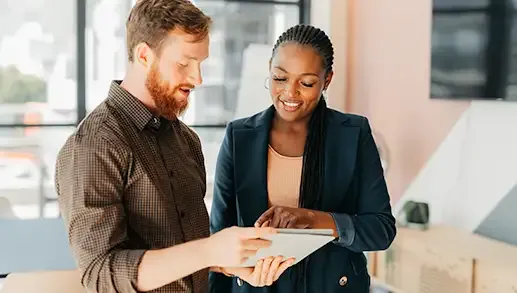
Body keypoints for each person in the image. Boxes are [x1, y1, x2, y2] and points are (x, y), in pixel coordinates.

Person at [54, 1, 288, 293]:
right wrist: (210, 251)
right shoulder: (95, 145)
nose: (197, 78)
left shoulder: (186, 140)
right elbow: (100, 275)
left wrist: (230, 262)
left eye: (200, 64)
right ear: (144, 55)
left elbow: (183, 252)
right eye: (184, 63)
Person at [209, 24, 397, 293]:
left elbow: (381, 230)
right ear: (269, 70)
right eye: (280, 78)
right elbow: (220, 237)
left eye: (306, 83)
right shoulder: (239, 136)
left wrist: (313, 219)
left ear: (327, 80)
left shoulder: (354, 134)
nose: (290, 93)